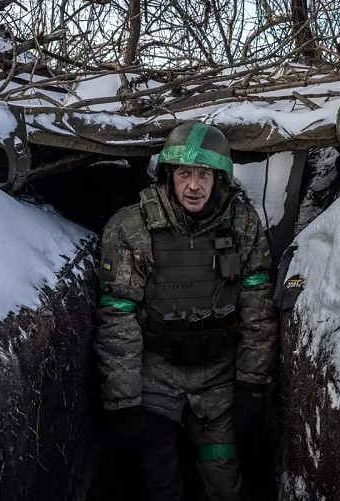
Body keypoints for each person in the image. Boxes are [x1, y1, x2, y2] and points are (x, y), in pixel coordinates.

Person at [94, 122, 278, 501]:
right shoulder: (132, 228)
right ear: (168, 175)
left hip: (218, 380)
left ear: (219, 177)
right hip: (155, 380)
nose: (194, 185)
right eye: (184, 173)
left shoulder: (241, 224)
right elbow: (118, 317)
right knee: (161, 483)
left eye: (204, 174)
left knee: (223, 482)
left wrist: (252, 385)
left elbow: (257, 308)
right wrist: (122, 402)